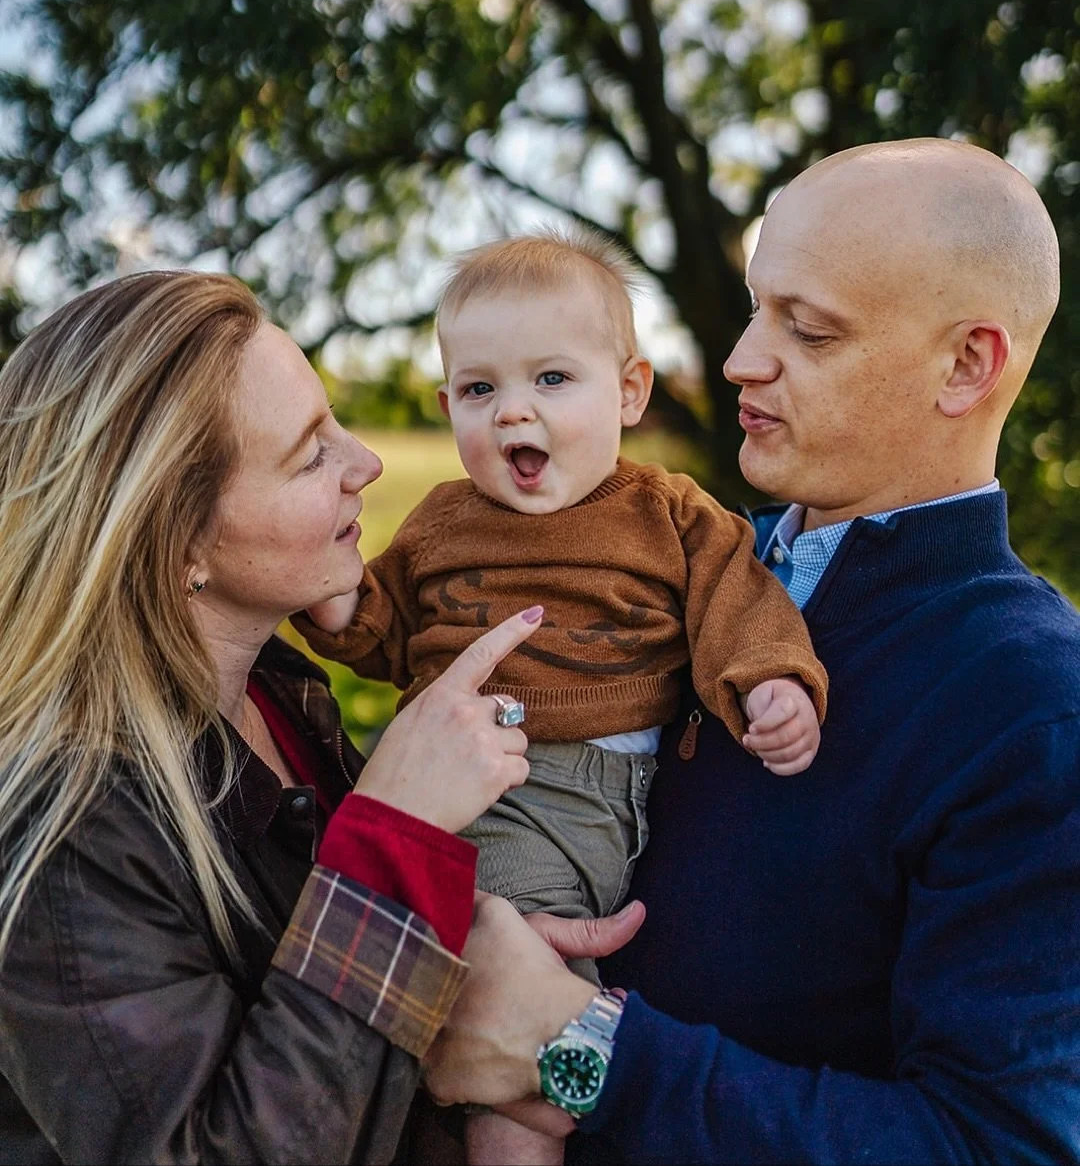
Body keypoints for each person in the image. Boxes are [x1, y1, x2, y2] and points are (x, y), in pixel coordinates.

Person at [423, 138, 1080, 1164]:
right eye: (757, 306)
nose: (739, 359)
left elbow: (995, 1145)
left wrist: (581, 1050)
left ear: (968, 363)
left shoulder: (1031, 702)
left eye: (808, 330)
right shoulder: (684, 553)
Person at [0, 270, 635, 1166]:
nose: (365, 463)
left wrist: (469, 940)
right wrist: (396, 838)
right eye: (310, 454)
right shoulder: (69, 830)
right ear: (181, 541)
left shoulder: (278, 688)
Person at [295, 231, 829, 1164]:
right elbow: (384, 630)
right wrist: (338, 602)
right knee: (533, 1021)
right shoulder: (442, 521)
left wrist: (773, 682)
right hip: (503, 792)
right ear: (446, 403)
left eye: (551, 381)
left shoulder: (667, 512)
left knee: (573, 1010)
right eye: (479, 390)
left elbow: (738, 603)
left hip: (627, 803)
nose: (512, 415)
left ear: (628, 391)